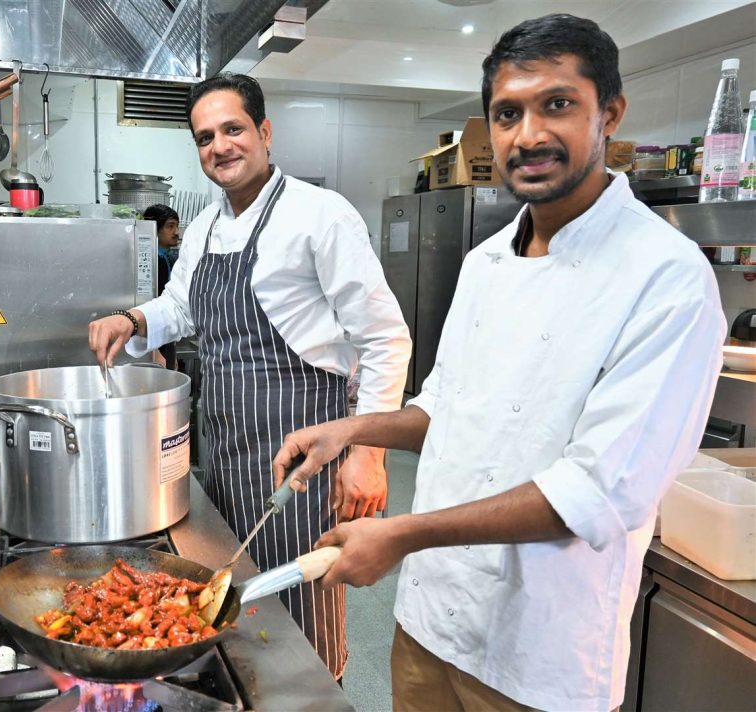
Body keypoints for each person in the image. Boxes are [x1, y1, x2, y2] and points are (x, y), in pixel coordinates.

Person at [272, 14, 725, 711]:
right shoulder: (485, 262)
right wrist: (353, 431)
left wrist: (400, 535)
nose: (530, 133)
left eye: (558, 105)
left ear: (610, 113)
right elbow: (448, 408)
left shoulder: (666, 277)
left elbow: (593, 493)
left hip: (540, 650)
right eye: (508, 113)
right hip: (431, 620)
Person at [88, 73, 411, 678]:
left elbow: (386, 339)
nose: (220, 147)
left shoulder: (321, 215)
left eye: (233, 129)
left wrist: (369, 454)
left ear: (264, 132)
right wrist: (132, 319)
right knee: (233, 592)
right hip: (229, 444)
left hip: (305, 449)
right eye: (205, 137)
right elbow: (182, 308)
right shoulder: (207, 227)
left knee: (302, 593)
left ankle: (318, 691)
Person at [143, 203, 182, 368]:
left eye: (177, 226)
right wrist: (155, 352)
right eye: (170, 226)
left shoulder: (165, 257)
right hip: (154, 344)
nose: (177, 232)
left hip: (163, 339)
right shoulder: (151, 262)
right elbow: (146, 306)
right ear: (155, 229)